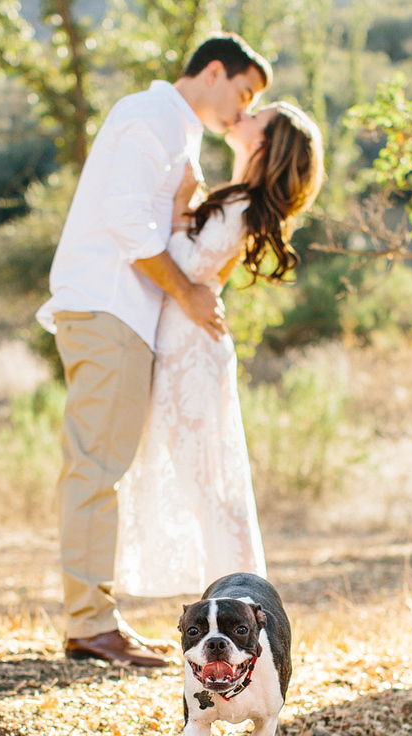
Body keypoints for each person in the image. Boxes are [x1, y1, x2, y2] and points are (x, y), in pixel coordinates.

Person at [36, 34, 272, 668]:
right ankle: (89, 623)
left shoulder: (177, 128)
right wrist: (189, 293)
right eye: (244, 92)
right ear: (214, 71)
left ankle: (93, 618)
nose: (241, 109)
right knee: (95, 466)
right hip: (109, 307)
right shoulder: (150, 116)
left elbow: (156, 221)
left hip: (125, 315)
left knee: (100, 464)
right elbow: (126, 223)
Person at [114, 102, 325, 598]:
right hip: (185, 340)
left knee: (206, 478)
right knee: (197, 475)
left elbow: (184, 268)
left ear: (263, 142)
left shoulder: (241, 205)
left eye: (257, 114)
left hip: (192, 348)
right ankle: (230, 596)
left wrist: (177, 205)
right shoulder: (235, 199)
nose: (243, 114)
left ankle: (240, 598)